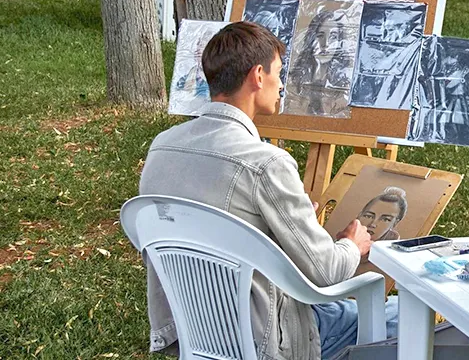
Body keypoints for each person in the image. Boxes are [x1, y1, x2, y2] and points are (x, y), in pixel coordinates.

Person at [139, 22, 398, 360]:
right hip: (264, 337)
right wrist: (353, 244)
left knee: (342, 313)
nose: (282, 83)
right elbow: (326, 273)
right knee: (403, 316)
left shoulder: (162, 147)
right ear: (258, 76)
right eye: (279, 72)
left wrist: (280, 232)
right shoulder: (265, 164)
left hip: (194, 326)